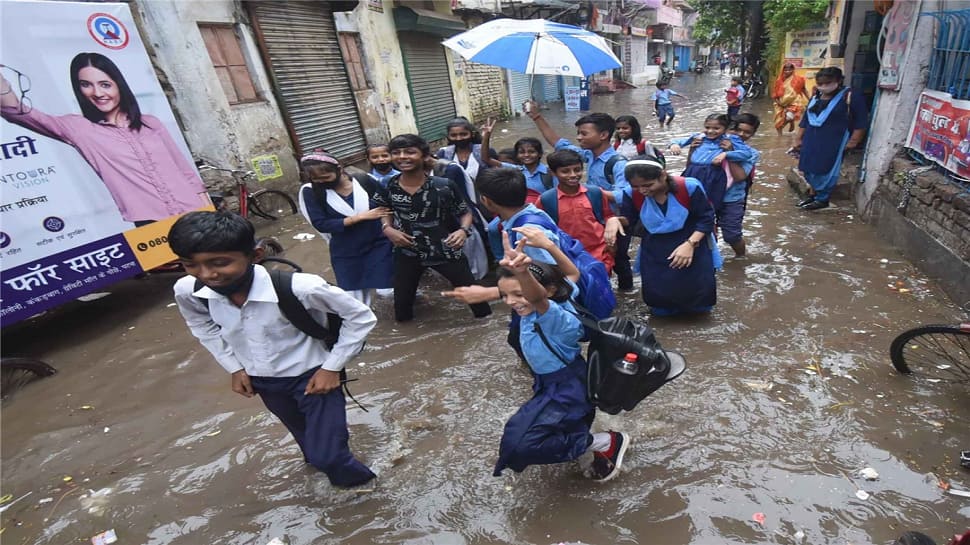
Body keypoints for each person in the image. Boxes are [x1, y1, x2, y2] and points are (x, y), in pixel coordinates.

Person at [169, 211, 377, 488]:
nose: (207, 274)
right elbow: (201, 326)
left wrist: (332, 367)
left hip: (314, 379)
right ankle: (329, 485)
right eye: (190, 265)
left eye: (219, 263)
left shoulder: (301, 287)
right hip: (264, 383)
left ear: (255, 255)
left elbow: (361, 317)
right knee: (306, 445)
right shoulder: (188, 290)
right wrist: (234, 368)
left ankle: (365, 492)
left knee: (329, 456)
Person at [0, 53, 208, 225]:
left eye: (105, 84)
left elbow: (185, 171)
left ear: (119, 85)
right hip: (151, 222)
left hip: (195, 211)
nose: (97, 93)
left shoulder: (150, 123)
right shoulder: (79, 128)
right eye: (86, 85)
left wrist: (208, 211)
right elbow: (17, 112)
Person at [492, 229, 629, 481]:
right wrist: (549, 246)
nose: (511, 301)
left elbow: (538, 297)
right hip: (554, 382)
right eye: (505, 295)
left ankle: (605, 443)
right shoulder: (562, 295)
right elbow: (571, 274)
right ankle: (585, 447)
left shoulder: (554, 316)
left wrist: (523, 273)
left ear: (550, 291)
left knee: (518, 446)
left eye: (518, 294)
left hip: (565, 387)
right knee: (555, 429)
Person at [373, 133, 492, 322]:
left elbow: (465, 212)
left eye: (410, 152)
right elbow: (383, 209)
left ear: (424, 155)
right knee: (402, 307)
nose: (402, 157)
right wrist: (387, 228)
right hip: (406, 251)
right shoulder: (387, 184)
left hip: (445, 249)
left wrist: (463, 231)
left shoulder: (443, 185)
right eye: (396, 153)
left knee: (478, 303)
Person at [525, 103, 635, 292]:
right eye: (578, 133)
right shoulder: (588, 155)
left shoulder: (618, 163)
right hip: (587, 217)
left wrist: (586, 191)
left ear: (603, 135)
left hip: (612, 221)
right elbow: (559, 144)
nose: (578, 137)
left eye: (584, 133)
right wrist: (536, 117)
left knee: (618, 261)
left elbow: (625, 194)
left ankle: (625, 295)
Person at [612, 158, 718, 316]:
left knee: (698, 298)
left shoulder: (689, 187)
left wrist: (690, 244)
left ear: (662, 175)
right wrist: (614, 220)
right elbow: (630, 221)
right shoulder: (631, 194)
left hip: (693, 246)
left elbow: (706, 218)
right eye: (636, 186)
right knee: (660, 302)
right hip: (656, 250)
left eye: (648, 185)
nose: (642, 191)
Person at [296, 150, 393, 306]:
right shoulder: (311, 191)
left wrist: (388, 228)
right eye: (315, 179)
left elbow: (387, 206)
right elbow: (321, 224)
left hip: (378, 244)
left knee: (389, 290)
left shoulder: (365, 181)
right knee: (354, 301)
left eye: (326, 177)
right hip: (346, 250)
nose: (321, 182)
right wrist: (360, 217)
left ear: (339, 169)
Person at [792, 66, 869, 210]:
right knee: (808, 167)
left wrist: (853, 141)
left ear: (839, 81)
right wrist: (798, 137)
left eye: (828, 83)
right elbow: (805, 119)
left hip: (834, 139)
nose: (824, 86)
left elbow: (861, 121)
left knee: (826, 168)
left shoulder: (851, 96)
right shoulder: (816, 96)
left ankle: (823, 199)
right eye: (820, 83)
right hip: (811, 138)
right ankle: (813, 195)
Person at [536, 149, 621, 274]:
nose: (573, 175)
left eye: (577, 169)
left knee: (601, 290)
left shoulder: (595, 193)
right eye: (565, 171)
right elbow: (542, 230)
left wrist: (611, 244)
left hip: (599, 254)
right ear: (553, 173)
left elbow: (607, 216)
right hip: (567, 257)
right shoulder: (546, 200)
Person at [667, 113, 754, 210]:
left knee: (710, 204)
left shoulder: (730, 139)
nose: (710, 131)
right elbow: (677, 140)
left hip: (713, 174)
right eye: (707, 127)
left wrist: (726, 154)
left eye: (716, 128)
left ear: (725, 129)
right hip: (692, 172)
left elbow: (746, 153)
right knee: (687, 200)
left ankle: (709, 220)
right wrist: (674, 145)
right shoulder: (699, 137)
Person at [480, 119, 554, 205]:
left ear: (540, 153)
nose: (526, 155)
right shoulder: (515, 170)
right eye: (522, 152)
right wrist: (486, 136)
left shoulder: (549, 172)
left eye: (531, 152)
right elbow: (486, 159)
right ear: (517, 155)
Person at [719, 113, 762, 257]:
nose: (741, 134)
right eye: (737, 130)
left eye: (747, 132)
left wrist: (730, 153)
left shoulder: (751, 153)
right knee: (705, 233)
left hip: (733, 198)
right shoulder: (713, 145)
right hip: (710, 196)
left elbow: (739, 177)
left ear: (753, 134)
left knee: (732, 235)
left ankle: (741, 259)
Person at [435, 117, 496, 184]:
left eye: (463, 134)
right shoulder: (443, 154)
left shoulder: (486, 152)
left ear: (472, 134)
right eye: (453, 135)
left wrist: (485, 139)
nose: (459, 138)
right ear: (448, 137)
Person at [772, 63, 810, 135]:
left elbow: (804, 90)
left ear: (793, 70)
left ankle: (791, 122)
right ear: (783, 70)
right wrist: (779, 103)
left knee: (789, 117)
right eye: (786, 70)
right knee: (778, 123)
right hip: (780, 103)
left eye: (790, 70)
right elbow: (775, 94)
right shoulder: (779, 81)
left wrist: (810, 99)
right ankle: (780, 137)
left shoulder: (799, 79)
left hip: (795, 102)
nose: (787, 71)